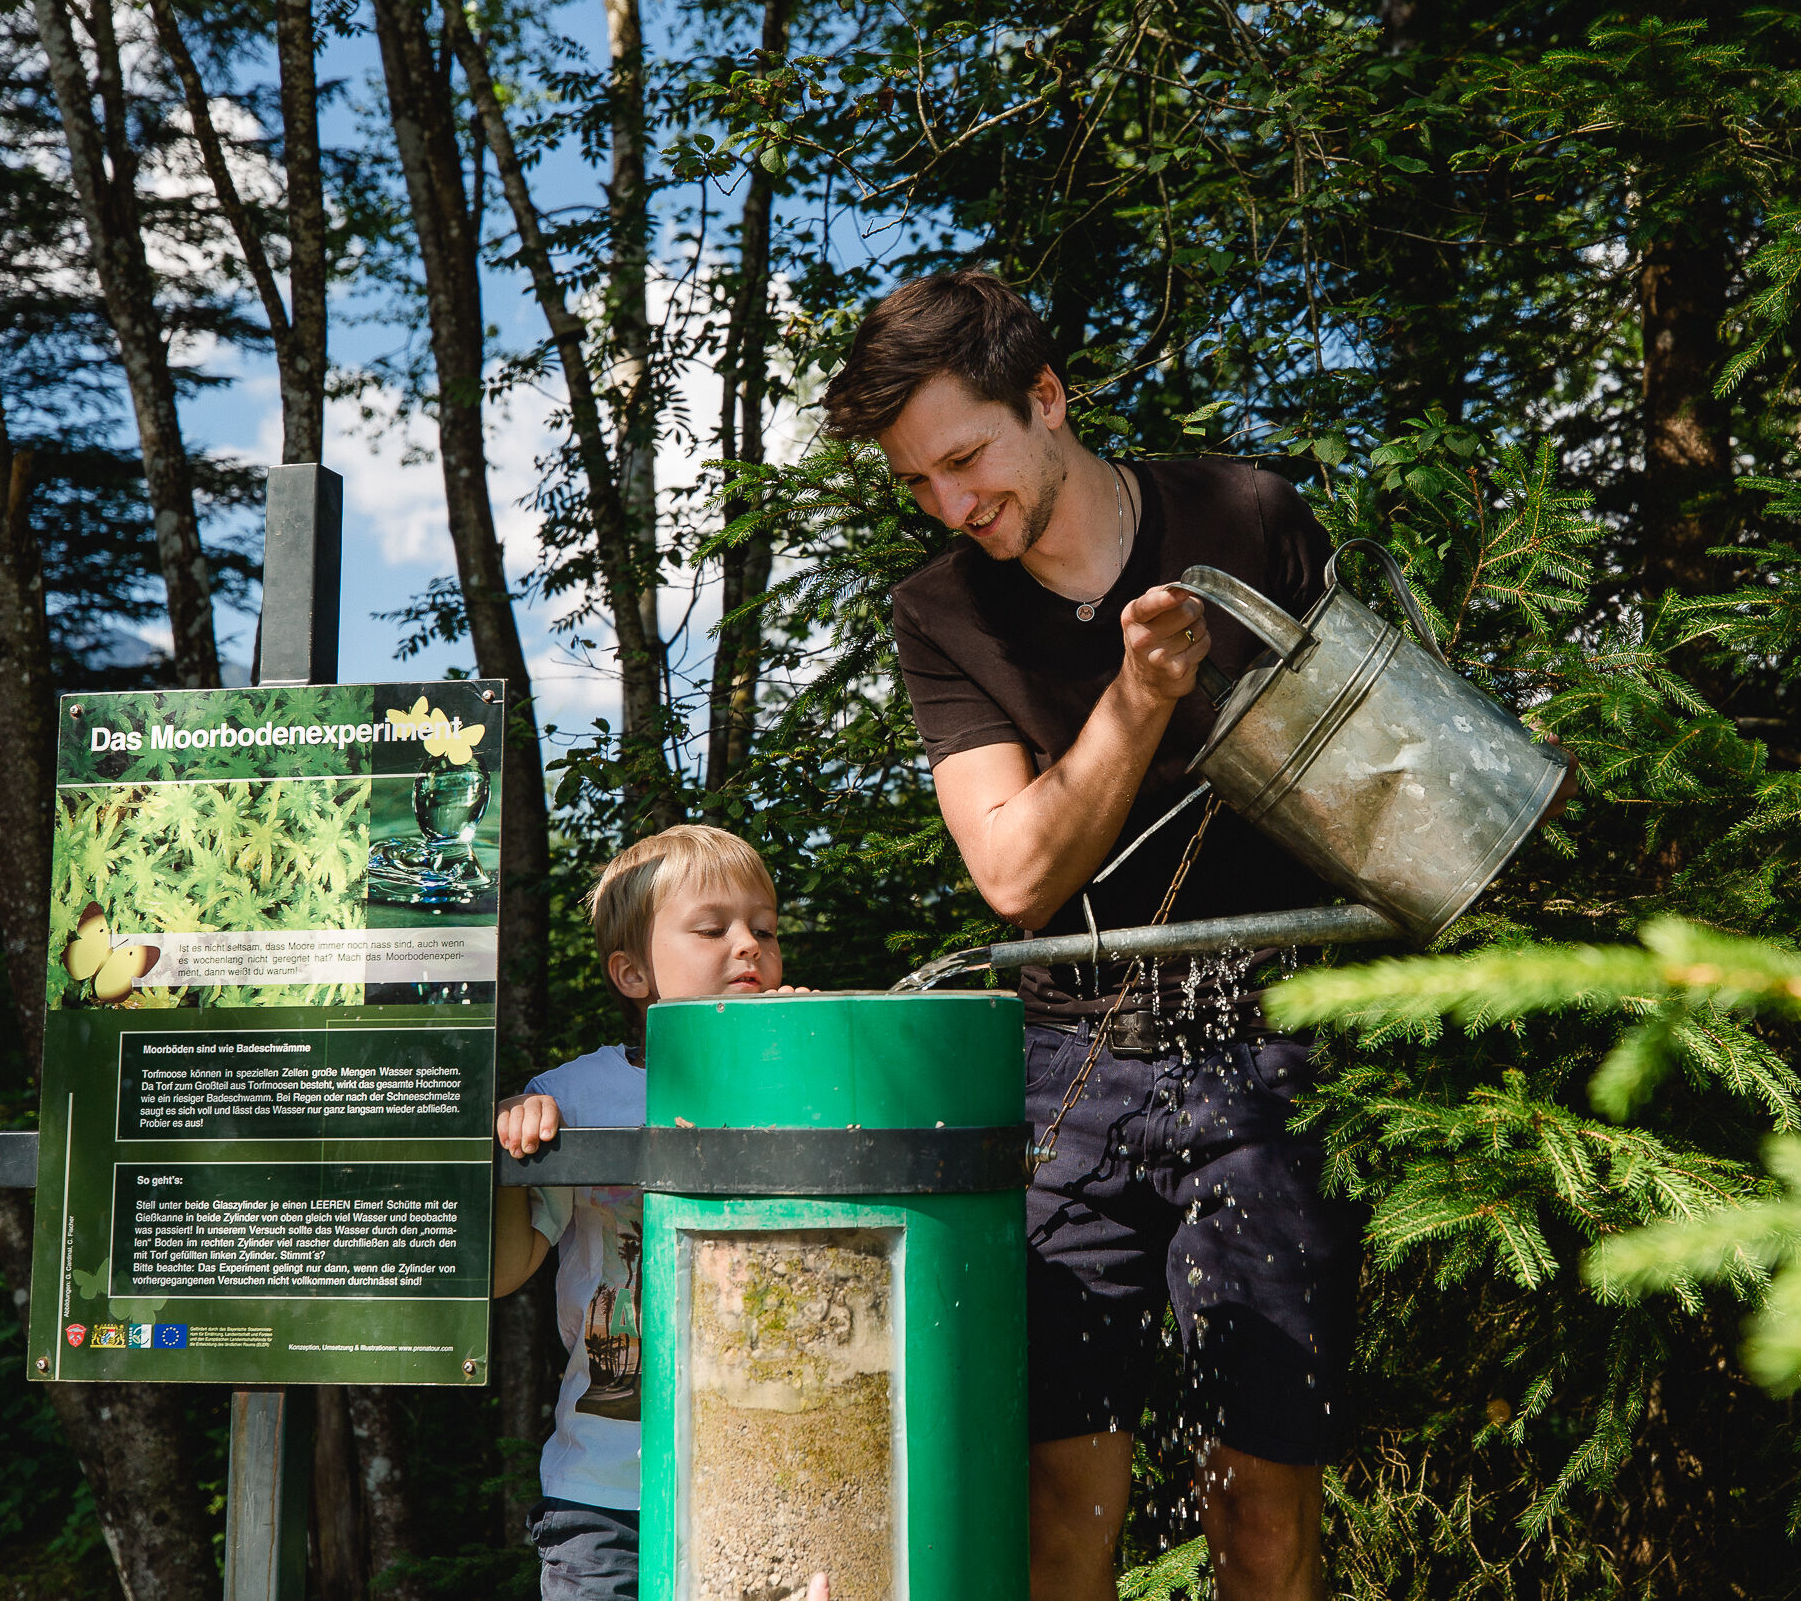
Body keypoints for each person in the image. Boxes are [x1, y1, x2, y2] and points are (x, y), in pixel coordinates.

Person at [823, 270, 1361, 1601]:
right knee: (1058, 1513)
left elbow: (1381, 775)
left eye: (966, 457)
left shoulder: (1242, 515)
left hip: (1276, 1053)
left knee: (1261, 1510)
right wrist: (1140, 693)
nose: (954, 504)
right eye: (918, 483)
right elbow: (1012, 871)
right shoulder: (942, 611)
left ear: (1047, 397)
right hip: (1067, 1072)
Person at [491, 823, 807, 1601]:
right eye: (712, 928)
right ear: (632, 972)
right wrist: (509, 1151)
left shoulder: (805, 1063)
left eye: (764, 929)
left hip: (765, 1476)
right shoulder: (576, 1095)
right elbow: (503, 1273)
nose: (749, 946)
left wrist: (802, 1048)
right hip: (606, 1493)